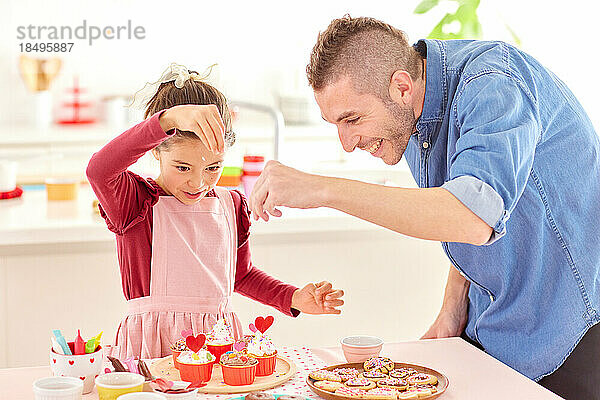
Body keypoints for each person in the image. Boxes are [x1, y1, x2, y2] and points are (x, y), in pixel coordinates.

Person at [248, 16, 600, 399]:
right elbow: (468, 205)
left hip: (572, 331)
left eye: (352, 119)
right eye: (335, 124)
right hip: (495, 324)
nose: (347, 143)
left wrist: (321, 189)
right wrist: (452, 308)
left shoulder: (494, 85)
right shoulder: (413, 114)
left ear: (401, 86)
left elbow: (472, 216)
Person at [86, 63, 344, 360]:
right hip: (153, 348)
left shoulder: (230, 206)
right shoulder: (135, 203)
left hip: (218, 345)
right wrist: (165, 121)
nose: (198, 182)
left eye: (212, 168)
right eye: (183, 167)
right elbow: (98, 170)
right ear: (156, 150)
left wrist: (293, 297)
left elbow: (240, 276)